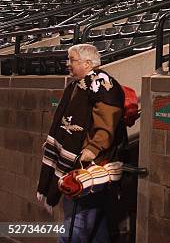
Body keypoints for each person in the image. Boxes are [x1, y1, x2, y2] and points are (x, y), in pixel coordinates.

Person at [37, 44, 127, 242]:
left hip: (89, 166)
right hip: (84, 163)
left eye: (73, 60)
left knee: (77, 225)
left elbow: (107, 122)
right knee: (95, 225)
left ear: (88, 63)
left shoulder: (100, 83)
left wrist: (93, 148)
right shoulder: (79, 84)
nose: (68, 64)